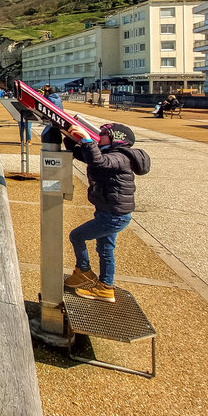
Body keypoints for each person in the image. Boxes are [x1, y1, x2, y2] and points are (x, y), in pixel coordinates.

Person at [62, 122, 151, 302]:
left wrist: (87, 140)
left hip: (114, 216)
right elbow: (84, 155)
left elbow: (98, 161)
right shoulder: (109, 153)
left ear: (116, 139)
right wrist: (71, 138)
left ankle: (84, 272)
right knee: (105, 249)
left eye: (102, 134)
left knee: (77, 236)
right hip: (110, 213)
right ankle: (105, 288)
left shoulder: (120, 157)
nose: (98, 136)